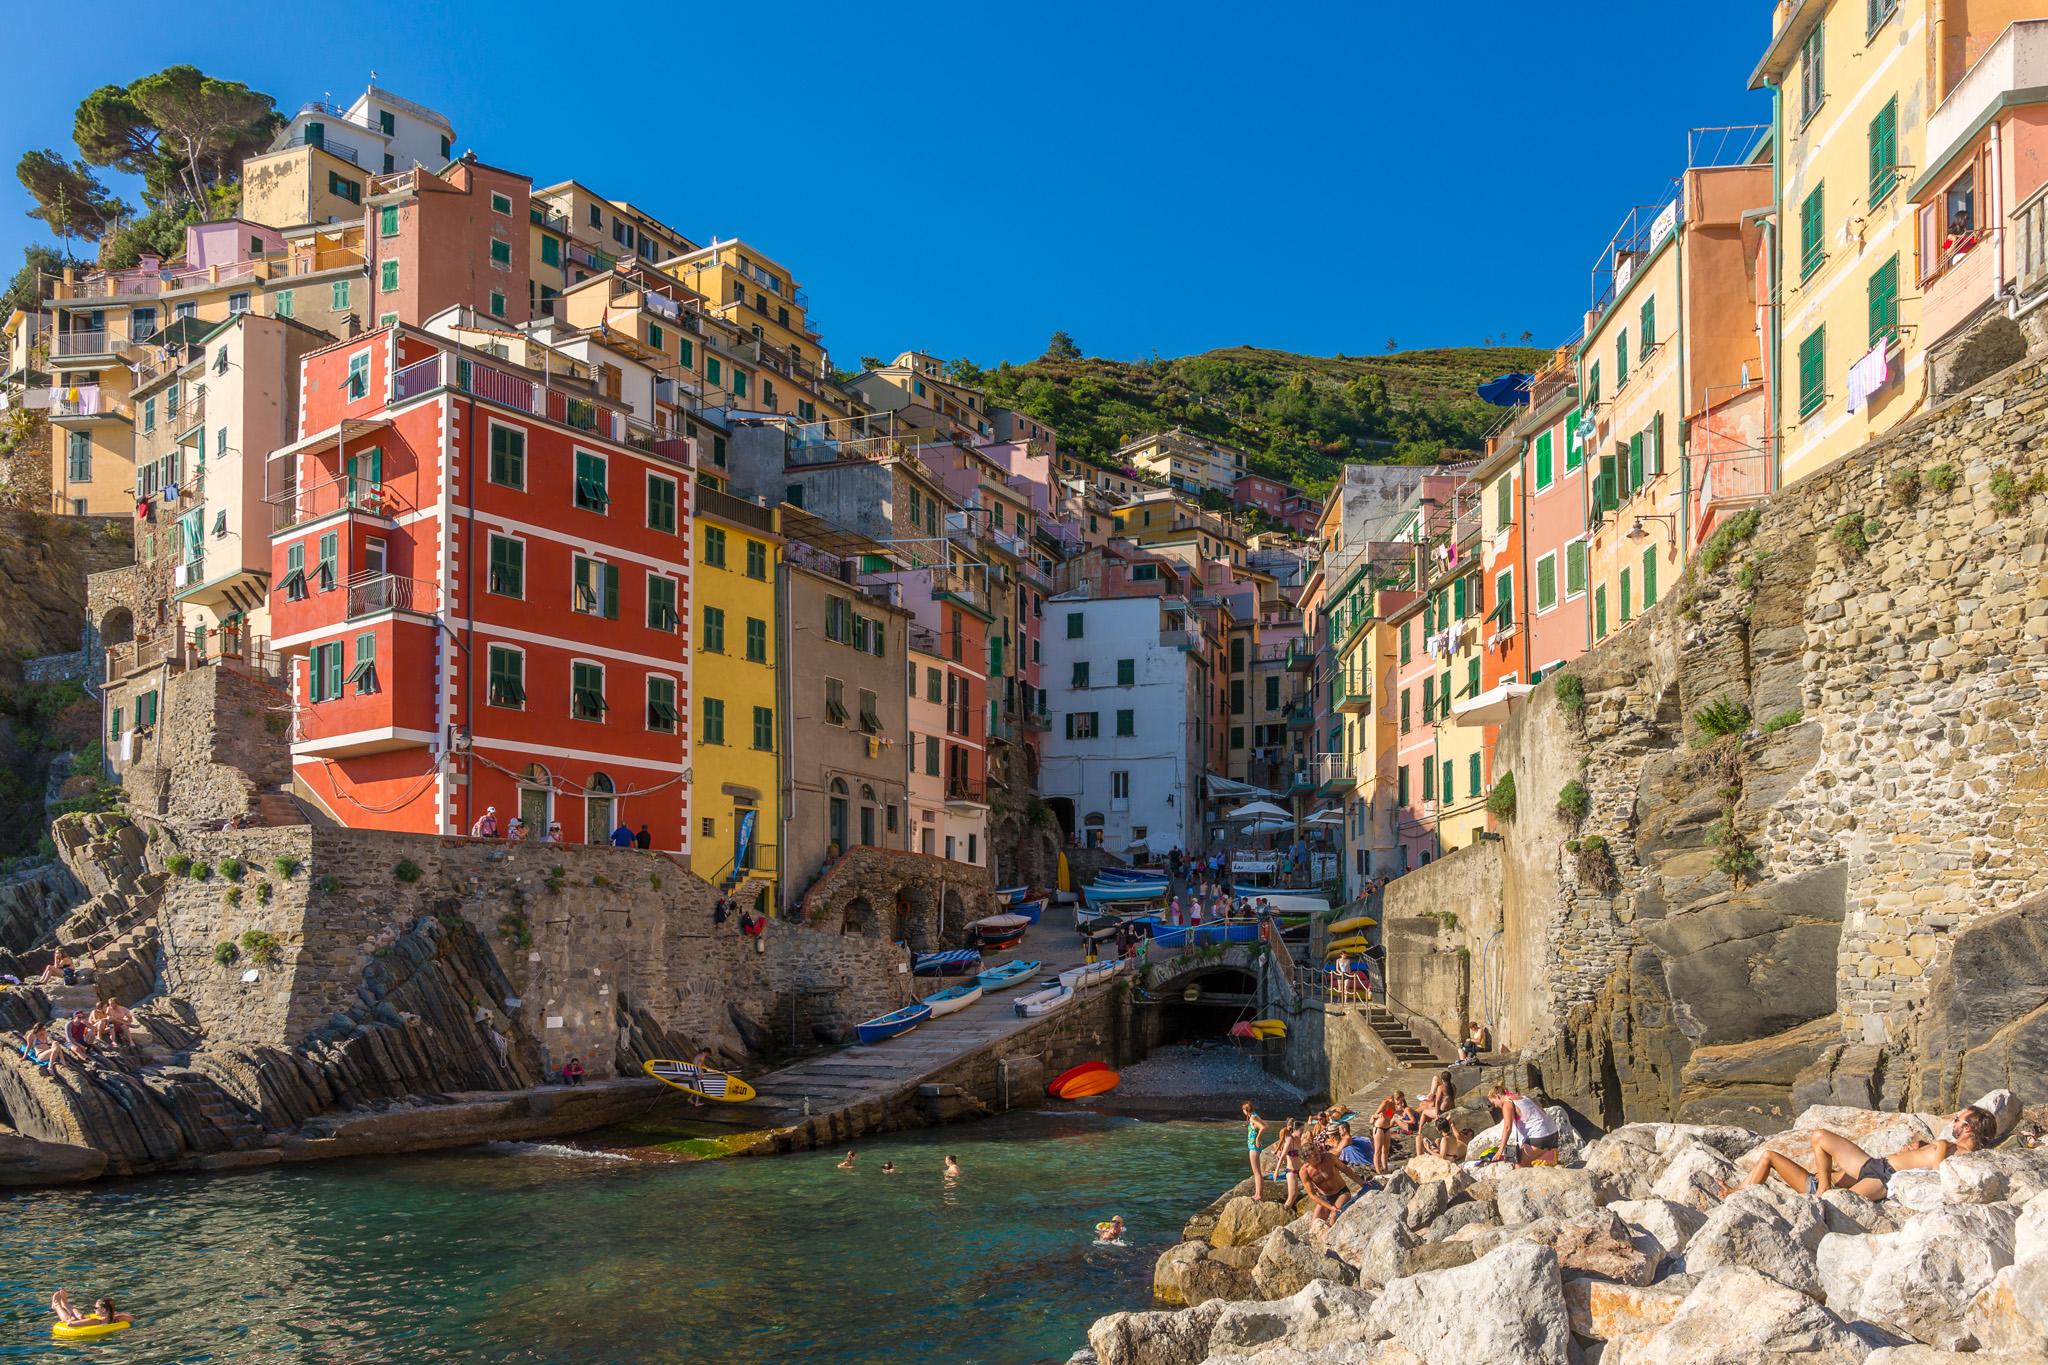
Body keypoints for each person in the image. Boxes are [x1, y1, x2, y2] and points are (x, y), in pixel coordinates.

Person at [1724, 1106, 1995, 1202]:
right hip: (1874, 1164)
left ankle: (1821, 1193)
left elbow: (1937, 1176)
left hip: (1885, 1179)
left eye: (1959, 1119)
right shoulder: (1946, 1145)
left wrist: (1932, 1149)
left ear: (1969, 1129)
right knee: (1819, 1136)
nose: (1954, 1120)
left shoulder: (1957, 1154)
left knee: (1833, 1204)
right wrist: (1922, 1145)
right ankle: (1824, 1188)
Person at [1487, 1084, 1562, 1167]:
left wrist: (1500, 1151)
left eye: (1494, 1103)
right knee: (1524, 1158)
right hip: (1553, 1133)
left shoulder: (1507, 1104)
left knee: (1519, 1163)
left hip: (1540, 1137)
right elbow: (1543, 1112)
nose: (1496, 1106)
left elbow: (1507, 1128)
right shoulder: (1524, 1098)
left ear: (1498, 1096)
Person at [1242, 1102, 1269, 1199]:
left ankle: (1259, 1195)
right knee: (1258, 1172)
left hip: (1253, 1146)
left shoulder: (1252, 1118)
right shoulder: (1255, 1116)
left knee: (1257, 1172)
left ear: (1246, 1110)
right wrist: (1252, 1127)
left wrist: (1257, 1138)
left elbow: (1263, 1127)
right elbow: (1267, 1125)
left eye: (1243, 1110)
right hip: (1255, 1146)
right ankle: (1258, 1194)